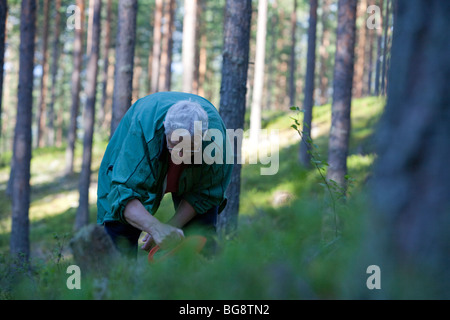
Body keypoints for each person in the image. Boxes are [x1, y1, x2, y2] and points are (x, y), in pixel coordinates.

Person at [97, 92, 233, 258]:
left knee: (200, 235)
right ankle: (121, 280)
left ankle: (199, 280)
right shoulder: (142, 130)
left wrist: (169, 230)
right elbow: (122, 195)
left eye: (188, 148)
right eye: (174, 145)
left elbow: (204, 195)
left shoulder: (217, 143)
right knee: (120, 233)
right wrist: (155, 227)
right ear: (165, 130)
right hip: (140, 145)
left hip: (199, 165)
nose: (179, 155)